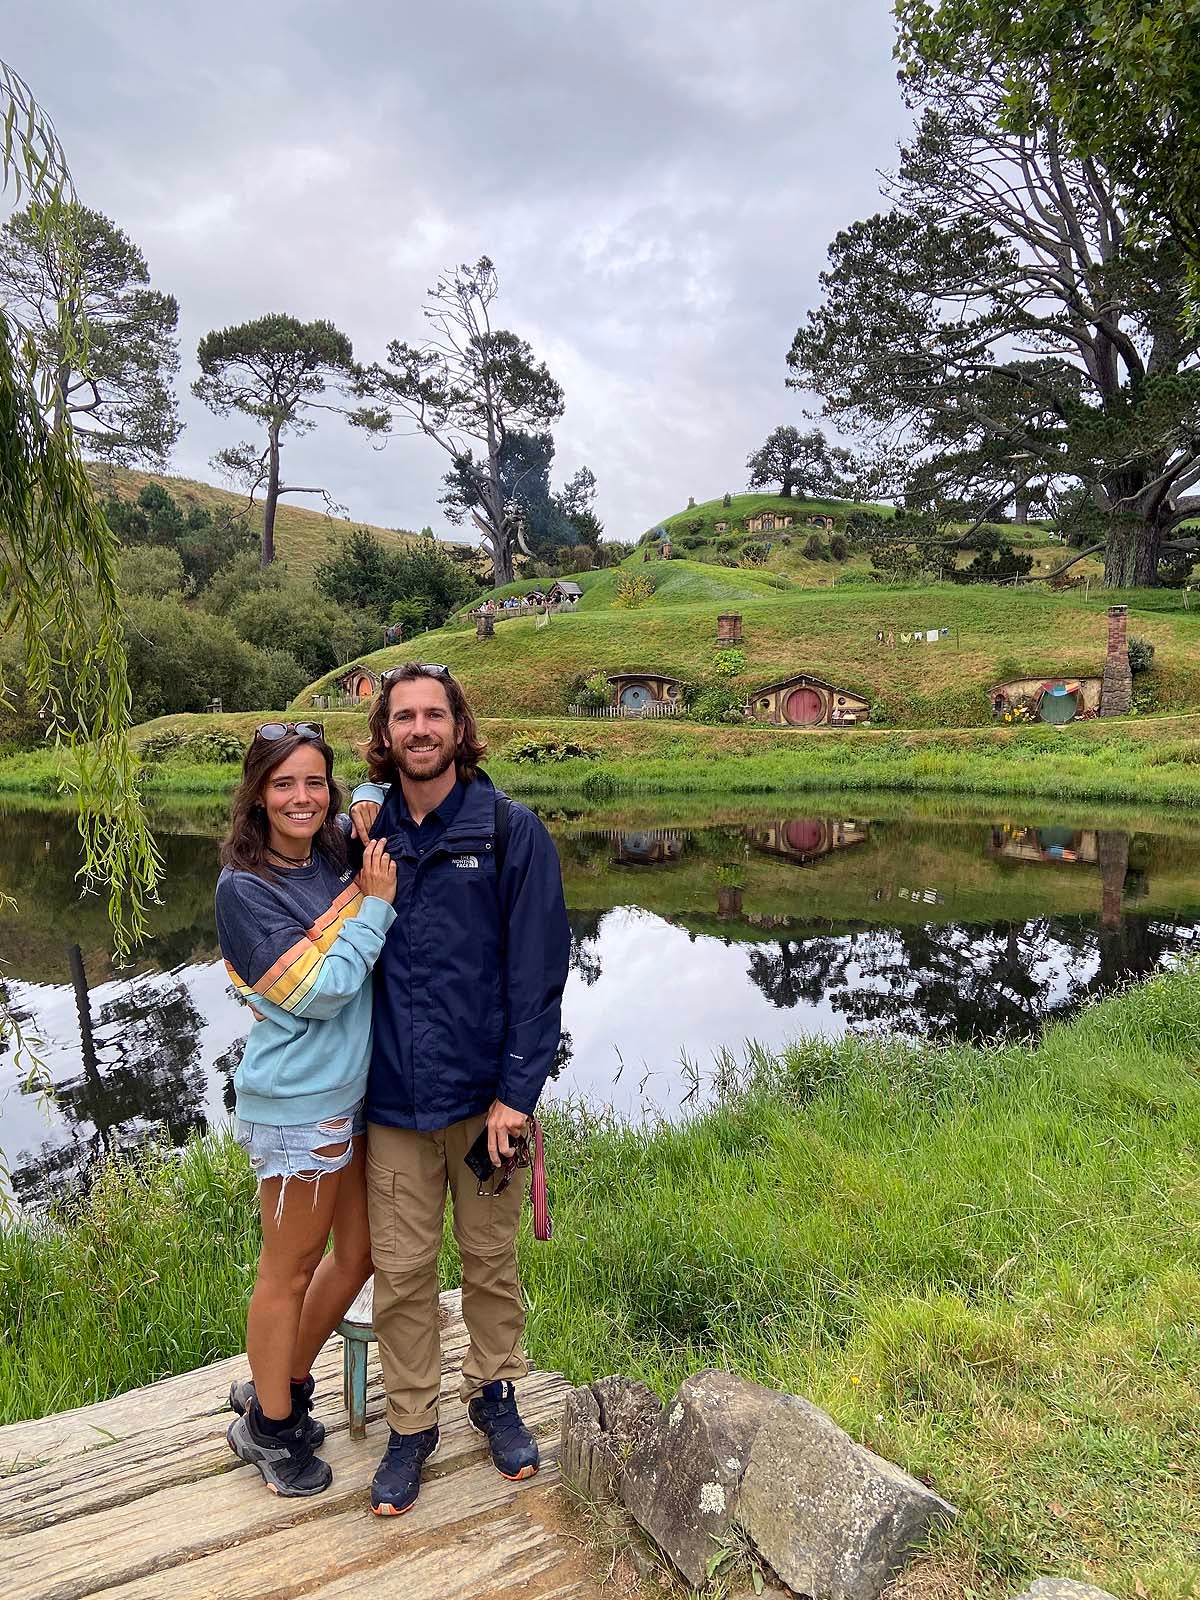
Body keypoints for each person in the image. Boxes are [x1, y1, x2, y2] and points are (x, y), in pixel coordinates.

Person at [346, 662, 569, 1517]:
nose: (420, 729)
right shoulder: (362, 838)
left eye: (433, 714)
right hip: (396, 1102)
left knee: (490, 1259)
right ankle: (411, 1426)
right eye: (403, 717)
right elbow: (286, 833)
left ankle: (495, 1393)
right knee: (402, 1274)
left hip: (487, 1103)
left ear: (458, 726)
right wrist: (348, 806)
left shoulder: (511, 832)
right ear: (387, 737)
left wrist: (518, 1094)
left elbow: (539, 974)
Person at [215, 722, 398, 1497]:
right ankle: (270, 1429)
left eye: (315, 782)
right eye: (284, 782)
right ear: (258, 792)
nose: (301, 797)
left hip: (352, 1100)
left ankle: (277, 1383)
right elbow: (319, 994)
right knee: (288, 1269)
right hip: (296, 1105)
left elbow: (390, 793)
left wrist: (362, 798)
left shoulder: (329, 849)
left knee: (358, 1256)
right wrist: (377, 908)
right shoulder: (245, 889)